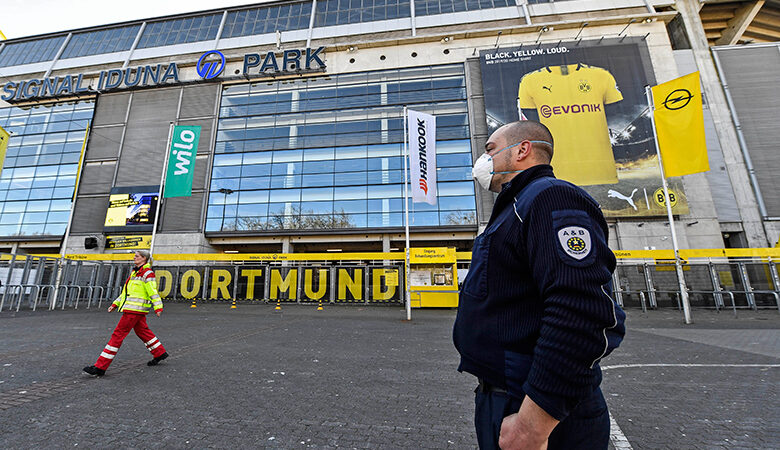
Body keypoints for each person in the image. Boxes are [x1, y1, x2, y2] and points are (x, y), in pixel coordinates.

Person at [453, 120, 626, 449]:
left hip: (534, 406)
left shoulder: (551, 198)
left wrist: (533, 425)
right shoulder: (515, 206)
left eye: (489, 149)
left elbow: (582, 314)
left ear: (521, 150)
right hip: (506, 397)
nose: (482, 159)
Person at [83, 250, 168, 376]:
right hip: (134, 310)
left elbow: (153, 291)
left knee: (117, 335)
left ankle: (100, 367)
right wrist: (115, 304)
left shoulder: (147, 273)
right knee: (142, 331)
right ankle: (160, 353)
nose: (134, 258)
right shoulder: (135, 273)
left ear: (144, 258)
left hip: (134, 310)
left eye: (137, 256)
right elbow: (126, 293)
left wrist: (158, 307)